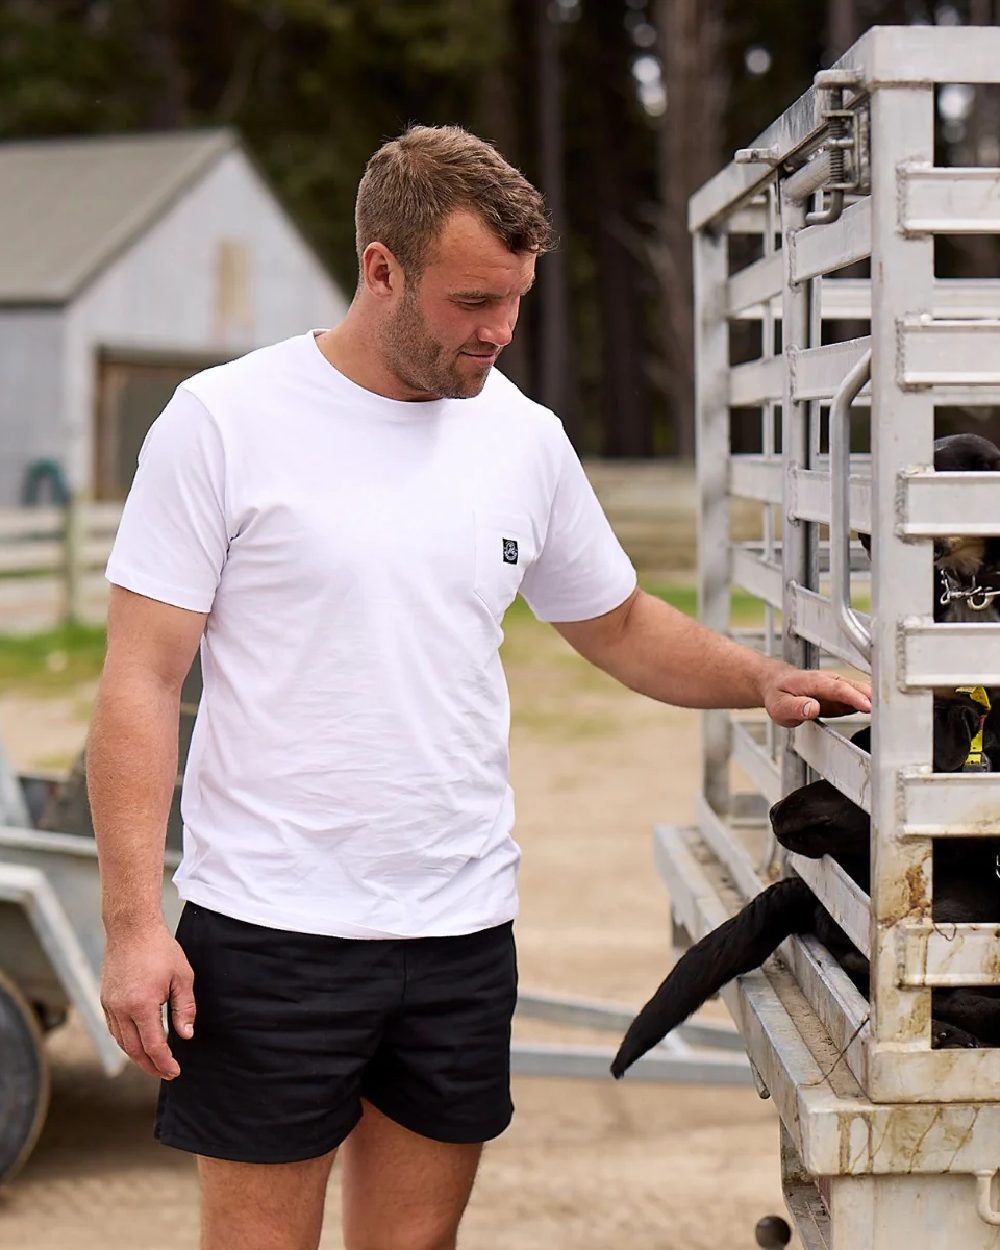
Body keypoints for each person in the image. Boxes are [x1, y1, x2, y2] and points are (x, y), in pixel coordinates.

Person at [88, 124, 871, 1250]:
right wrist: (129, 926)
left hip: (458, 927)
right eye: (469, 302)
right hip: (271, 926)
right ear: (380, 268)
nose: (498, 330)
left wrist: (763, 677)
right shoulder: (224, 421)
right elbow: (139, 680)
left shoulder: (522, 437)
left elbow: (614, 622)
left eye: (513, 299)